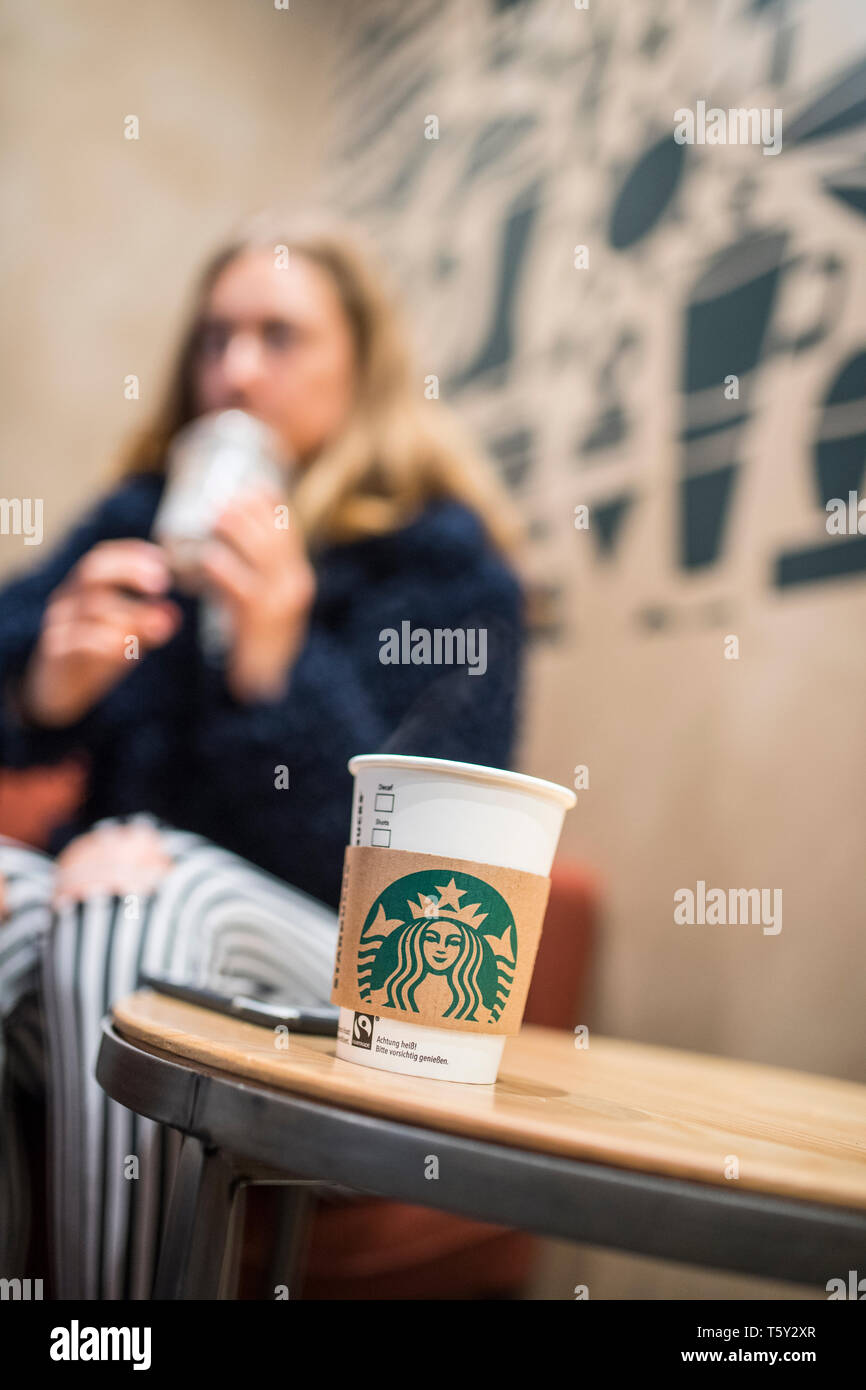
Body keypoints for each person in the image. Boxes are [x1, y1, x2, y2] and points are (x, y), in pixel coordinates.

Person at [0, 211, 527, 1299]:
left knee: (135, 890)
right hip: (107, 920)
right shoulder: (136, 523)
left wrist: (273, 665)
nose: (234, 371)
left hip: (335, 965)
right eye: (212, 337)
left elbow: (418, 871)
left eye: (278, 337)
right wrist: (41, 694)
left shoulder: (442, 571)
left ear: (362, 369)